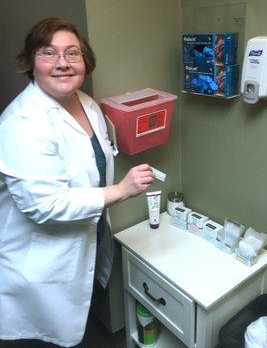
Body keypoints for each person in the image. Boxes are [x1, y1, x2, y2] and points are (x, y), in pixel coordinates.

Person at [0, 18, 155, 347]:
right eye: (48, 53)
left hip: (86, 237)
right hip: (40, 262)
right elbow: (47, 205)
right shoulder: (23, 123)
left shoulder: (86, 103)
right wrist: (122, 190)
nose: (62, 63)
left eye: (72, 53)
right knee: (42, 336)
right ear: (31, 62)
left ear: (85, 60)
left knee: (76, 316)